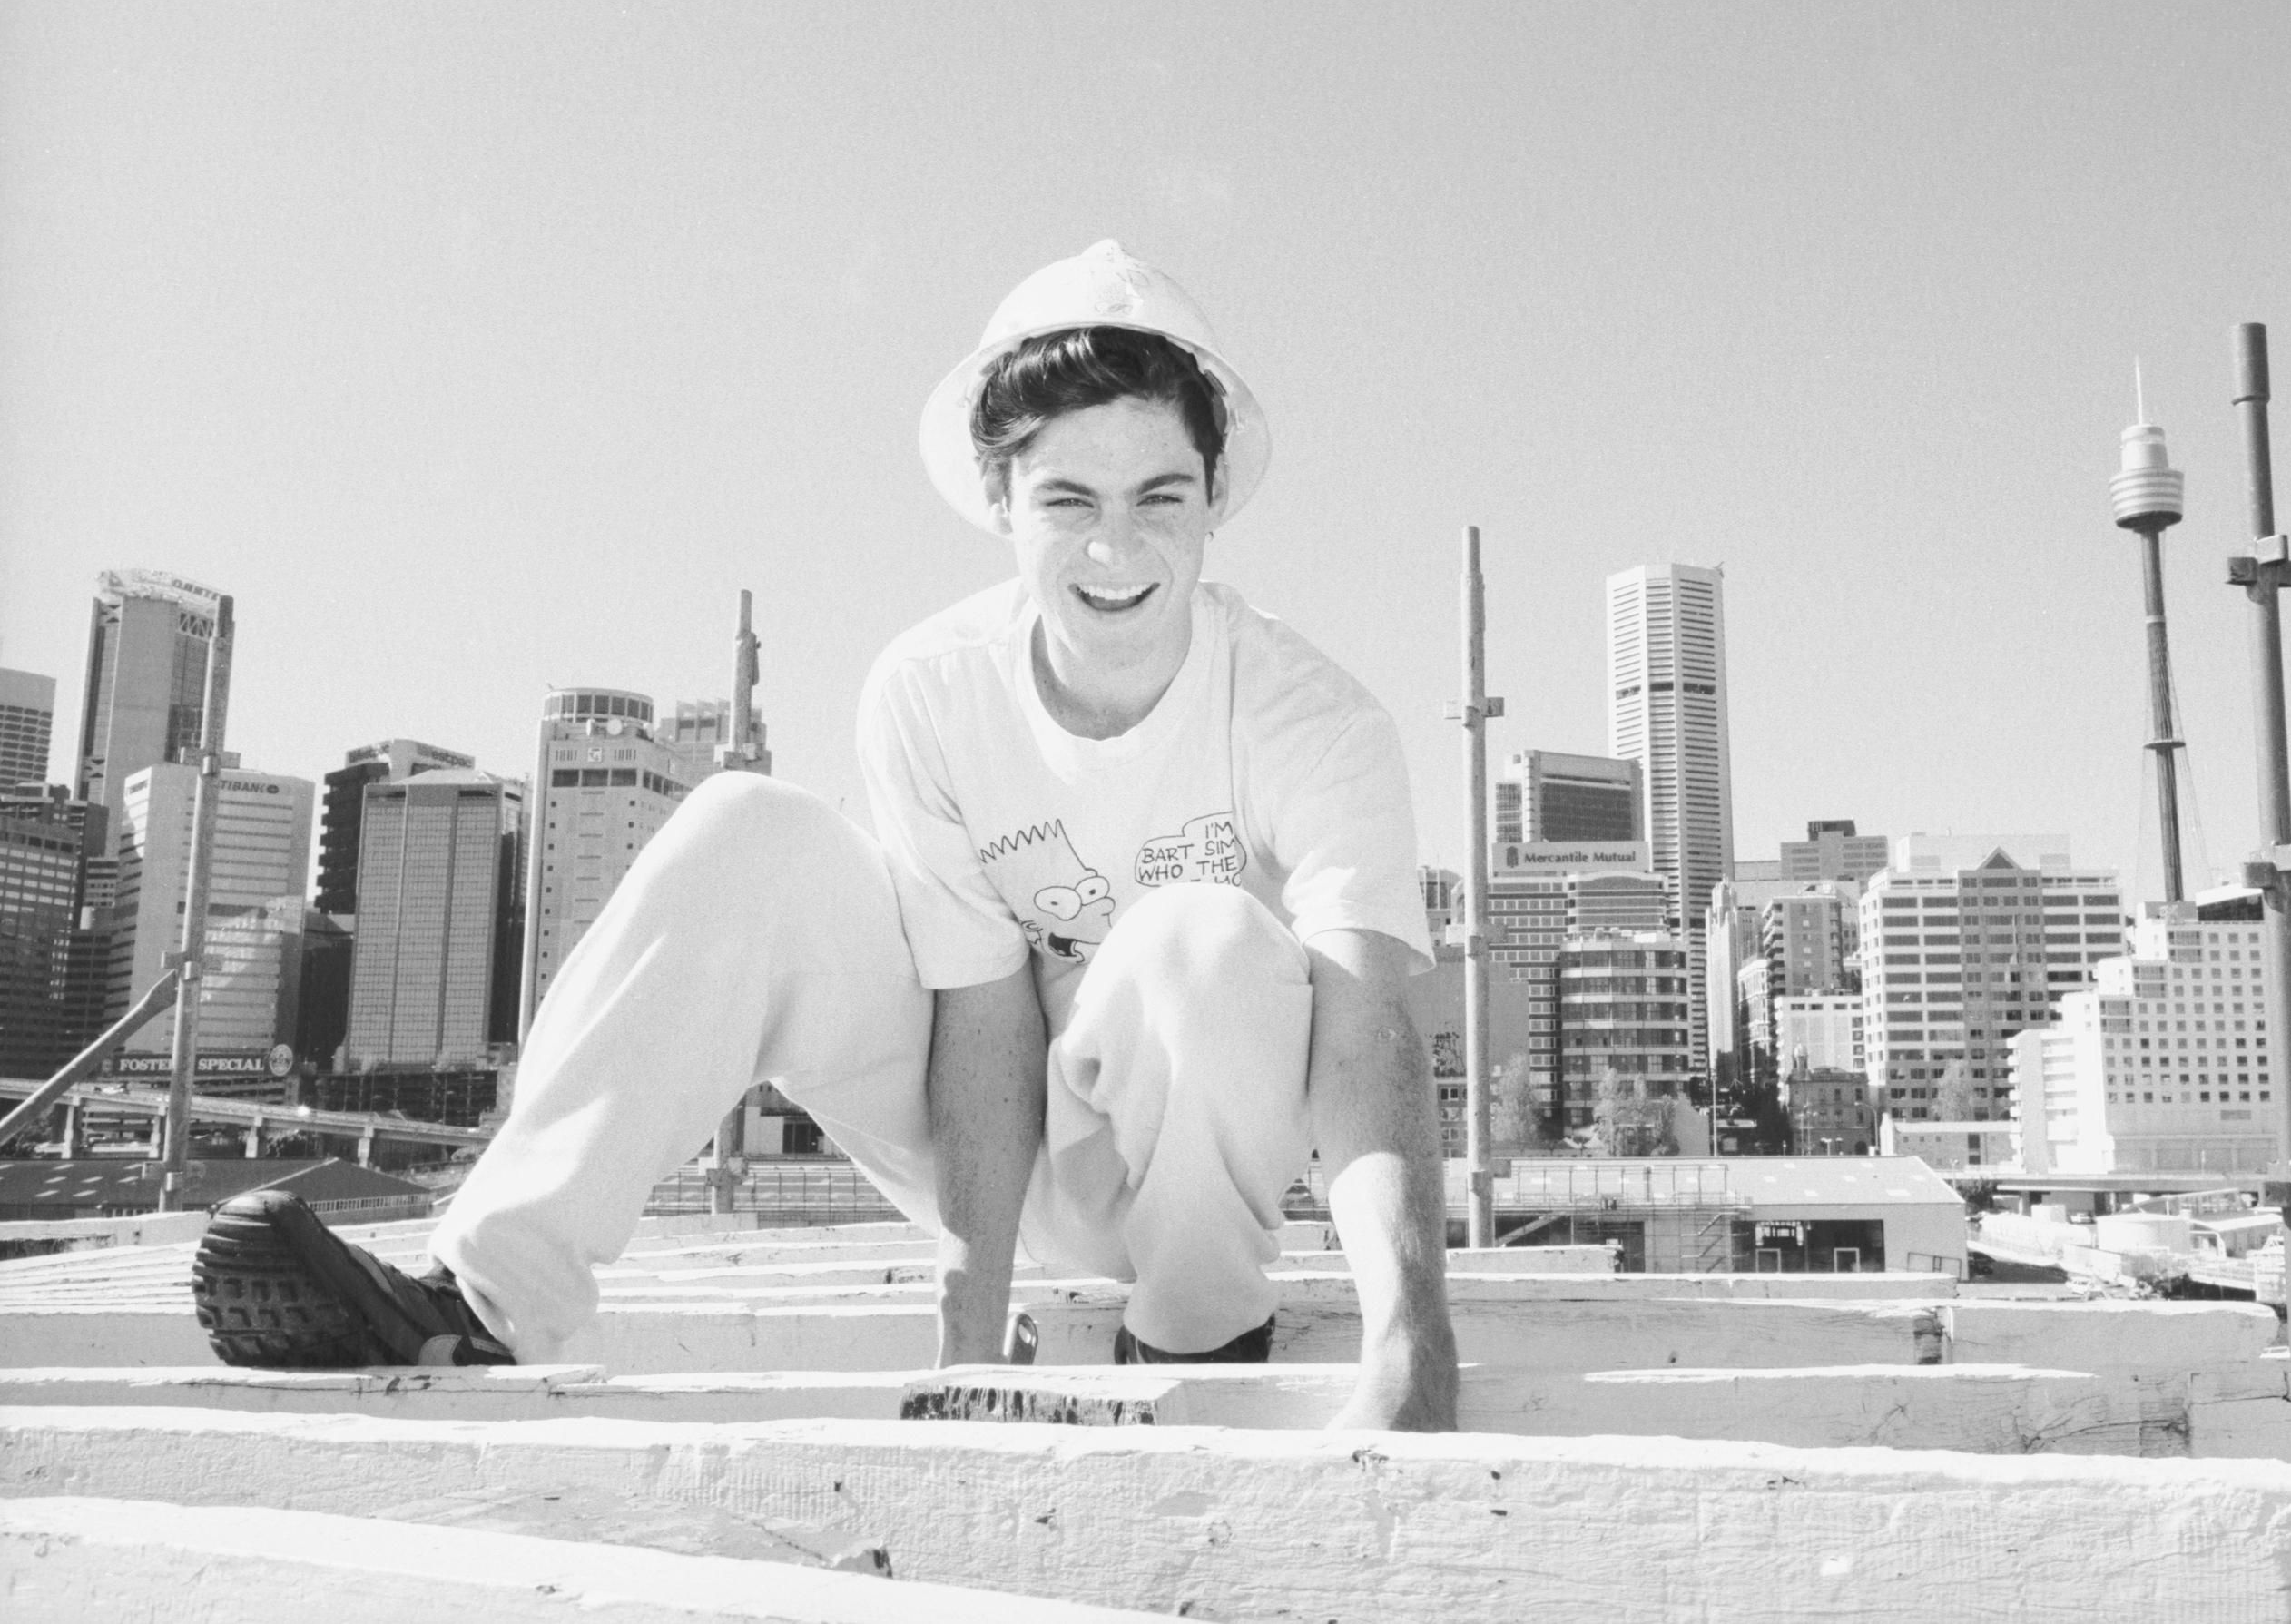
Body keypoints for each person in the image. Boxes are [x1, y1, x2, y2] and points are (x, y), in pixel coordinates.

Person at [192, 241, 1461, 1432]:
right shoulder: (932, 689)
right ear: (1000, 496)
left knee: (1201, 941)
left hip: (1201, 1180)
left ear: (1215, 497)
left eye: (1159, 495)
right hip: (992, 1141)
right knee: (750, 827)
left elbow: (1363, 1038)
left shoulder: (1310, 714)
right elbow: (981, 1016)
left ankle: (1191, 1338)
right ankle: (487, 1301)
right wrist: (970, 1334)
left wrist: (1412, 1338)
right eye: (1068, 496)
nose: (1115, 546)